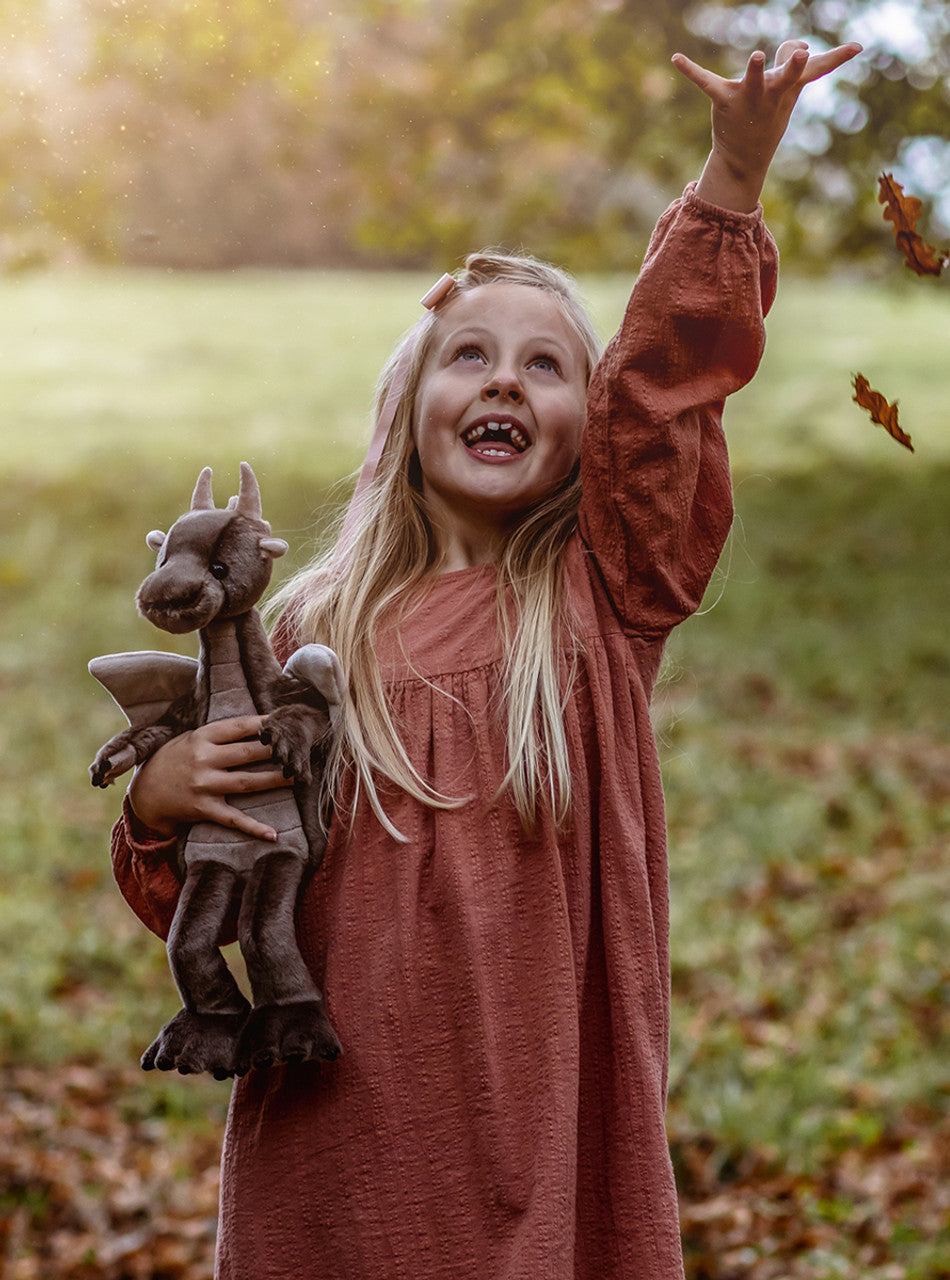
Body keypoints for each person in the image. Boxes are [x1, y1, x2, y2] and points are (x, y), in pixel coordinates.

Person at [109, 38, 861, 1280]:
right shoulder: (307, 636)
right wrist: (155, 798)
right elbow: (215, 884)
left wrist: (730, 178)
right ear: (406, 409)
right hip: (339, 1133)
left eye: (544, 365)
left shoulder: (601, 595)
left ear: (585, 427)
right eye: (468, 354)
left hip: (543, 1120)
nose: (503, 378)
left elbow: (664, 395)